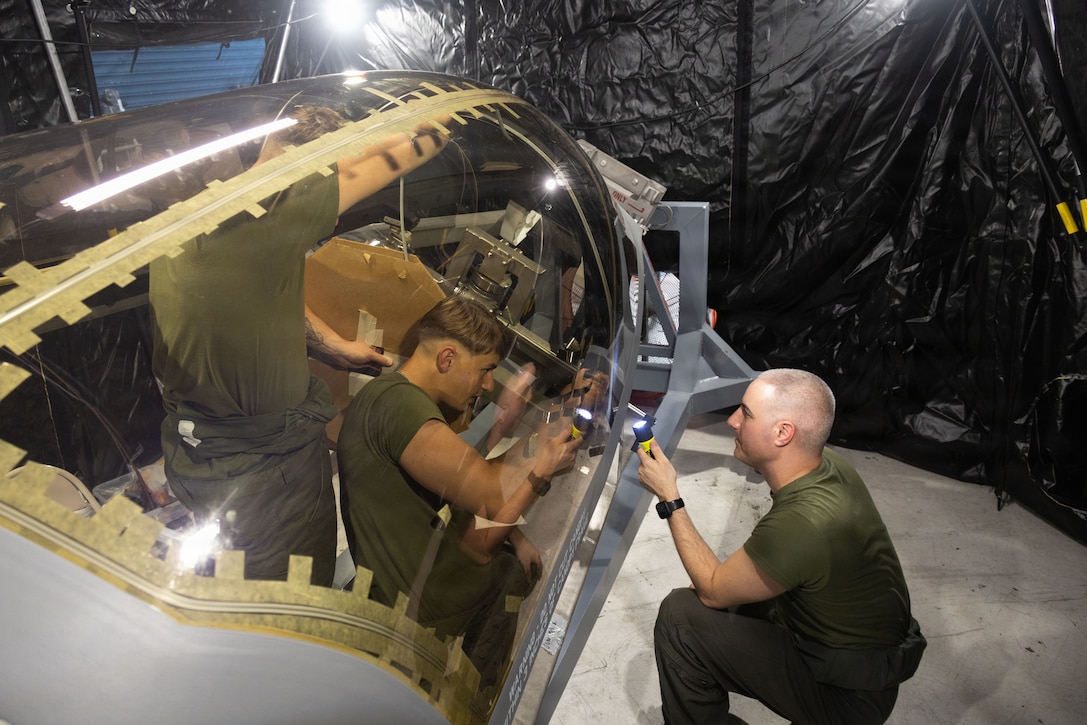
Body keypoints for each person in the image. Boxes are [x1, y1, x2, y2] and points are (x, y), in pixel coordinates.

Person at [150, 105, 450, 586]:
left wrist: (332, 346)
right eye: (332, 194)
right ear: (314, 171)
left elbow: (260, 295)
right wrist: (438, 111)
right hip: (266, 481)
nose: (332, 218)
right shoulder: (273, 212)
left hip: (201, 457)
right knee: (293, 604)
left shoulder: (209, 214)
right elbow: (430, 134)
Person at [636, 368, 925, 725]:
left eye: (746, 413)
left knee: (681, 618)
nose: (731, 420)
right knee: (724, 594)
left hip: (848, 696)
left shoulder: (803, 523)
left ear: (783, 433)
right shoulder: (826, 466)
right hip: (860, 659)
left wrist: (669, 497)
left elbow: (712, 591)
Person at [336, 295, 582, 688]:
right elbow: (491, 494)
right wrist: (541, 461)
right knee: (508, 574)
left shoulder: (404, 400)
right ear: (447, 359)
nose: (487, 384)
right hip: (410, 608)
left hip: (411, 587)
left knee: (512, 566)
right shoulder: (398, 405)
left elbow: (467, 483)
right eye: (485, 370)